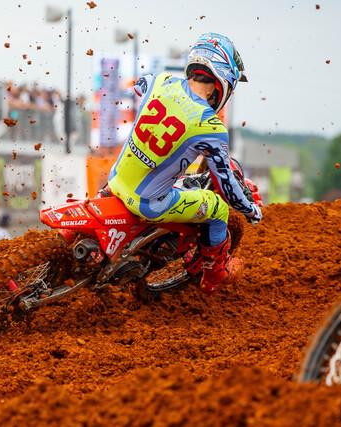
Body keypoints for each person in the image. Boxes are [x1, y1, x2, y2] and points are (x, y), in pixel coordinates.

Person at [107, 33, 262, 293]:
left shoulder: (159, 81)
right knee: (218, 209)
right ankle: (214, 274)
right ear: (223, 79)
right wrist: (250, 210)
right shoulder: (211, 126)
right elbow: (227, 188)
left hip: (114, 182)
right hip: (148, 203)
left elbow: (140, 85)